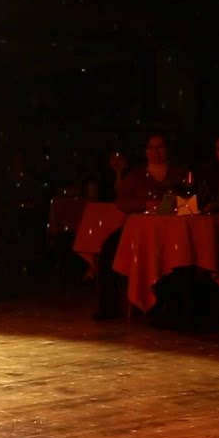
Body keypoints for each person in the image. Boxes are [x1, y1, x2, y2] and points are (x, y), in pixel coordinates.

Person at [95, 133, 181, 320]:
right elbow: (122, 202)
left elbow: (193, 201)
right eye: (152, 147)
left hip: (174, 234)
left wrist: (174, 205)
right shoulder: (136, 175)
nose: (156, 152)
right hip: (138, 235)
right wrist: (146, 204)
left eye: (160, 147)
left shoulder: (179, 174)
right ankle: (108, 306)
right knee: (109, 250)